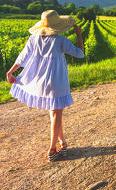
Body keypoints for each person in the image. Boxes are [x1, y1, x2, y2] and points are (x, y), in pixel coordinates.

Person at [6, 10, 84, 162]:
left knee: (53, 113)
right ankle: (52, 149)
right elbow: (80, 54)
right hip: (57, 81)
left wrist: (10, 72)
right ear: (57, 25)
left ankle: (62, 142)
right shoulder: (61, 41)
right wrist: (79, 35)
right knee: (57, 114)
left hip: (41, 81)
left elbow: (22, 57)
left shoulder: (33, 39)